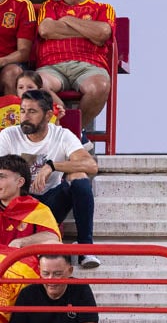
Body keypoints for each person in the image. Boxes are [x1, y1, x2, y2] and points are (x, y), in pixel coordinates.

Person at [0, 90, 99, 268]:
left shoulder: (61, 135)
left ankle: (86, 249)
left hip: (48, 205)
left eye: (32, 112)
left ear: (48, 115)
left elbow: (91, 165)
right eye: (22, 111)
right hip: (16, 205)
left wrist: (53, 166)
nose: (25, 117)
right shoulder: (9, 135)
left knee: (79, 177)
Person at [36, 0, 115, 130]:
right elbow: (46, 30)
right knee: (35, 84)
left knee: (100, 86)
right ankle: (71, 132)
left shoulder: (102, 8)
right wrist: (88, 31)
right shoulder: (49, 5)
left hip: (89, 65)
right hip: (52, 66)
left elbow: (102, 33)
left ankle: (73, 131)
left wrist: (68, 20)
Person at [0, 154, 60, 323]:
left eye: (2, 176)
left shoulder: (38, 209)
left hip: (21, 271)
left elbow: (53, 239)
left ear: (20, 181)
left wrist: (23, 242)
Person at [0, 0, 35, 97]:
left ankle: (11, 121)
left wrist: (2, 61)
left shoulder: (22, 5)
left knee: (11, 73)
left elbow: (24, 52)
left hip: (9, 64)